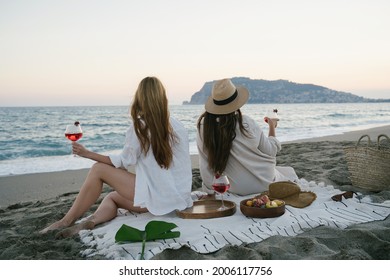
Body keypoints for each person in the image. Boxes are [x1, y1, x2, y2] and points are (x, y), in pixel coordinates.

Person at [40, 76, 193, 237]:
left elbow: (121, 163)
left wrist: (87, 153)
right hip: (178, 199)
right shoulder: (177, 126)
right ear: (163, 98)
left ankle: (66, 221)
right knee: (112, 198)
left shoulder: (140, 127)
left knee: (98, 169)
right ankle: (92, 220)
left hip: (157, 200)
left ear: (140, 98)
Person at [196, 78, 298, 196]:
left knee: (285, 172)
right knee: (287, 173)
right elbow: (271, 151)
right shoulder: (246, 123)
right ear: (236, 102)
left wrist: (211, 189)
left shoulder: (204, 127)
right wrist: (272, 126)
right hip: (263, 183)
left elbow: (205, 165)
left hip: (230, 187)